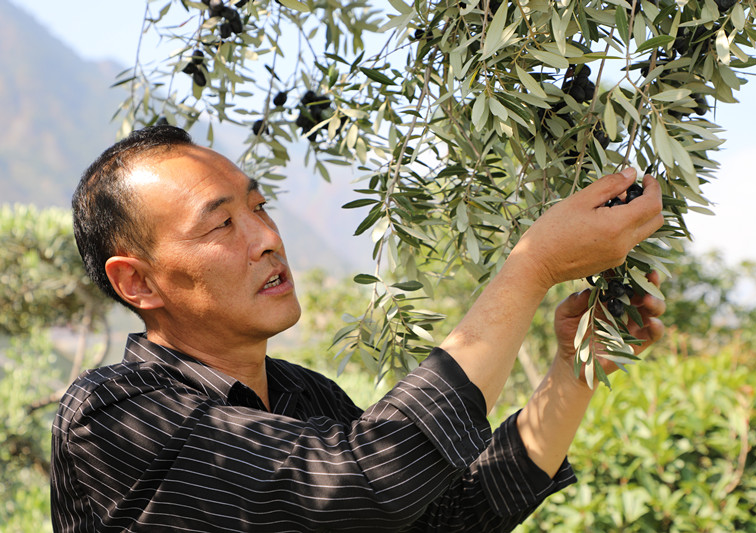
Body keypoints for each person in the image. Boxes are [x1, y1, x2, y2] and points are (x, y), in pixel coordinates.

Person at [52, 125, 665, 532]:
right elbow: (361, 484)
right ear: (138, 282)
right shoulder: (111, 415)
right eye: (221, 225)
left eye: (260, 207)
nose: (267, 239)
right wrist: (532, 268)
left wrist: (574, 370)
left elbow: (445, 519)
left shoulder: (307, 397)